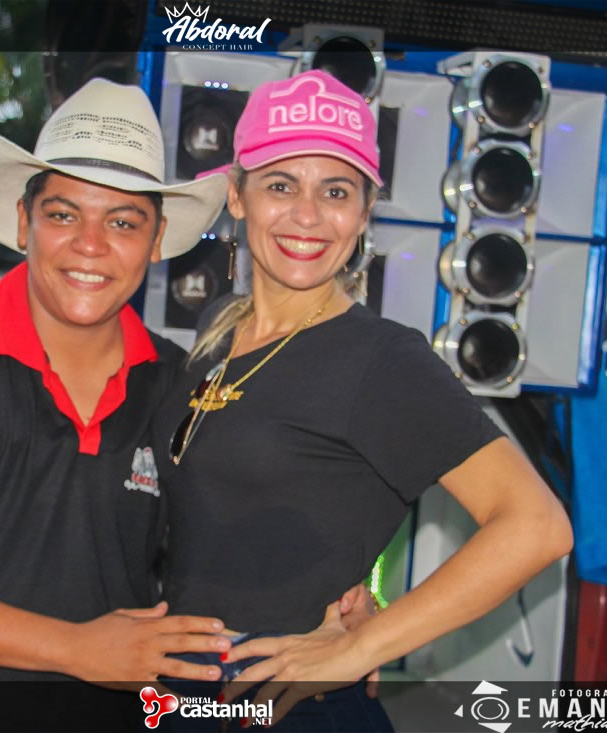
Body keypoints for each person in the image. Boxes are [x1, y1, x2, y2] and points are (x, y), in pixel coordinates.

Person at [0, 78, 374, 733]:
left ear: (157, 238)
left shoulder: (182, 383)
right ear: (24, 221)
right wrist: (76, 648)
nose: (90, 244)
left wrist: (340, 601)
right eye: (63, 215)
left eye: (122, 222)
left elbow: (238, 530)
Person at [152, 70, 574, 730]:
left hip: (284, 707)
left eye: (336, 191)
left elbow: (537, 525)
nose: (308, 215)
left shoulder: (382, 360)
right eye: (280, 185)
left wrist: (361, 646)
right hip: (182, 694)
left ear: (365, 211)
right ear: (236, 194)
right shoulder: (220, 327)